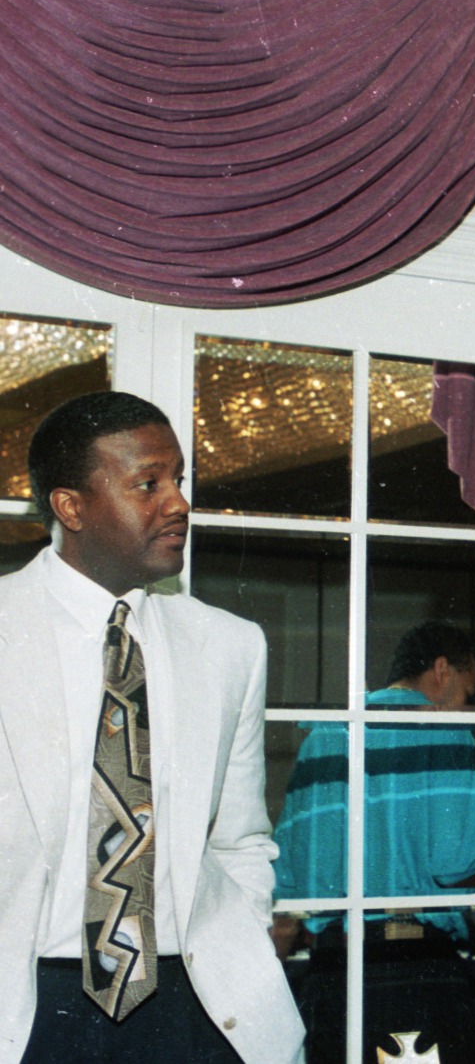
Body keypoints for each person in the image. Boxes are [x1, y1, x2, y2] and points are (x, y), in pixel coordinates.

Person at [0, 391, 303, 1064]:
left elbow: (241, 836)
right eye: (148, 483)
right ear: (70, 506)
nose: (178, 503)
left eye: (179, 480)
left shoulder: (230, 646)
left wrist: (241, 937)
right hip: (27, 1010)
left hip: (193, 1007)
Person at [273, 621, 475, 1064]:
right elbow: (456, 862)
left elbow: (288, 874)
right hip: (417, 968)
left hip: (333, 969)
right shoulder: (446, 731)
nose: (466, 709)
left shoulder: (323, 737)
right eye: (468, 695)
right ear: (442, 669)